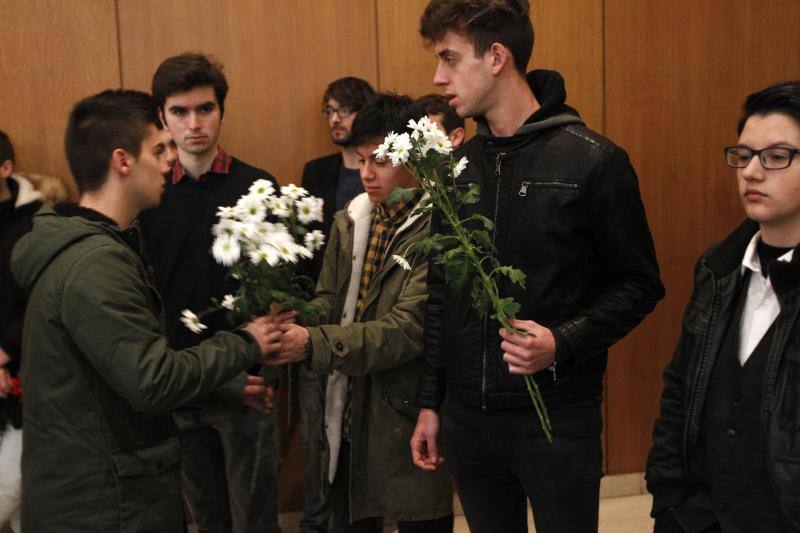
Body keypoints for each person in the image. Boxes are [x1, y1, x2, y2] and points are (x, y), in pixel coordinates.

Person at [410, 1, 664, 532]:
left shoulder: (593, 160)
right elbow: (441, 296)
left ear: (497, 56)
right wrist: (431, 404)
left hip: (557, 419)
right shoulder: (455, 171)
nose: (438, 77)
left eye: (450, 59)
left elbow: (639, 285)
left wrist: (563, 341)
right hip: (467, 422)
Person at [11, 89, 281, 533]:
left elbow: (115, 375)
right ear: (122, 161)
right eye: (159, 149)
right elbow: (151, 381)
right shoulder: (93, 263)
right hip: (101, 507)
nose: (170, 161)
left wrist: (223, 387)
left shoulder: (98, 247)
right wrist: (247, 341)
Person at [272, 93, 454, 532]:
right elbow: (332, 300)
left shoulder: (441, 227)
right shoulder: (351, 219)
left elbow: (405, 331)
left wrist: (312, 342)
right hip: (347, 407)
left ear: (415, 157)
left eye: (380, 160)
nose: (366, 174)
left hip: (406, 412)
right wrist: (294, 317)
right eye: (360, 159)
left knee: (420, 516)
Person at [646, 81, 800, 533]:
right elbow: (679, 386)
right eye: (744, 154)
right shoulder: (719, 270)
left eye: (776, 156)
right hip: (698, 519)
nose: (751, 172)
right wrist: (669, 498)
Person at [139, 52, 283, 533]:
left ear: (222, 110)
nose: (194, 123)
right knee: (204, 518)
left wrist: (252, 372)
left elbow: (274, 295)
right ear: (162, 116)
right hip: (176, 380)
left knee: (255, 519)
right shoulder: (148, 194)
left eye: (206, 109)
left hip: (245, 381)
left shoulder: (257, 187)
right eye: (180, 112)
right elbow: (142, 297)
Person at [297, 75, 375, 533]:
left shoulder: (385, 171)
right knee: (315, 437)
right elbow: (308, 249)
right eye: (328, 111)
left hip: (367, 321)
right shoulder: (317, 171)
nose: (335, 119)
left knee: (357, 436)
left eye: (343, 109)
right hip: (322, 317)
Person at [0, 130, 42, 533]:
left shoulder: (34, 222)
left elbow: (38, 296)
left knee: (15, 486)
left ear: (6, 168)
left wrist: (5, 350)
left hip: (24, 374)